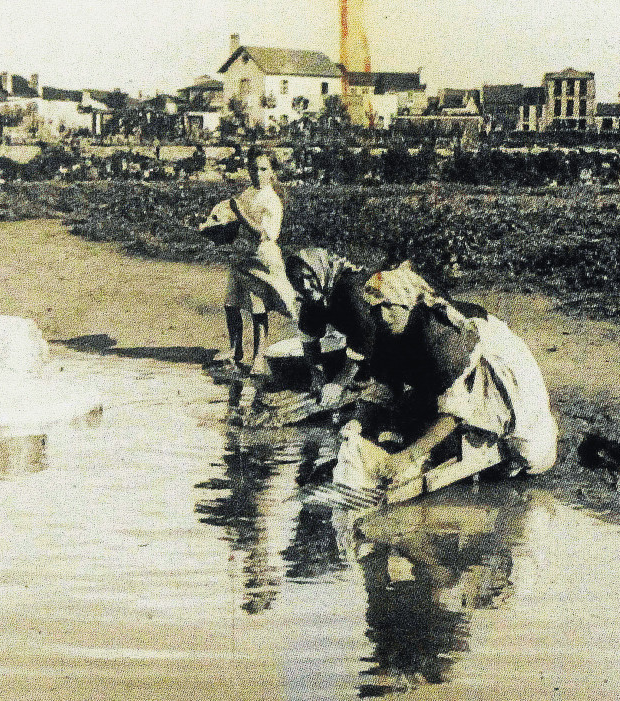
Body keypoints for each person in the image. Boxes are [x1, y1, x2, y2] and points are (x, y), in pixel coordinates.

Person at [285, 248, 558, 498]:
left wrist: (408, 456)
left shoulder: (438, 337)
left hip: (499, 382)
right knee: (397, 425)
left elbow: (455, 410)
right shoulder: (385, 330)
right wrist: (358, 423)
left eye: (384, 310)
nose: (377, 318)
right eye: (373, 312)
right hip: (454, 383)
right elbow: (382, 388)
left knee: (521, 453)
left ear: (406, 307)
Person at [200, 147, 297, 372]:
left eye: (263, 169)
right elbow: (233, 221)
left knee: (257, 306)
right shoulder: (248, 193)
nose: (258, 174)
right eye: (253, 169)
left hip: (262, 258)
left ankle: (259, 356)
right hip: (242, 255)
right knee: (231, 303)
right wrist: (215, 228)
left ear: (272, 172)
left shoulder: (272, 200)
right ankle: (235, 350)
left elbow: (263, 234)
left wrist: (240, 213)